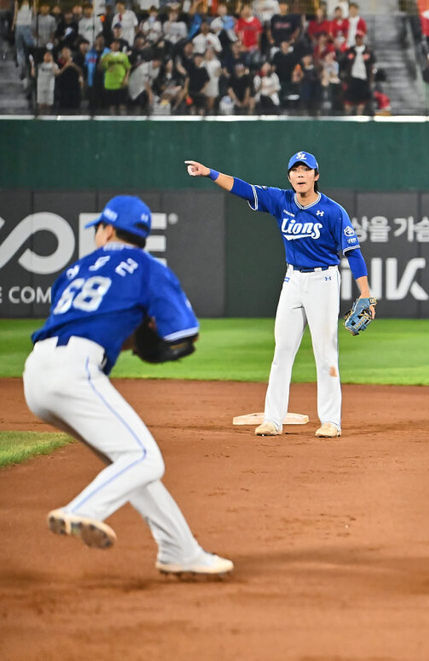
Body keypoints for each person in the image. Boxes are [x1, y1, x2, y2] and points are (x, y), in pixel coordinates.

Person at [22, 195, 233, 578]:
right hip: (76, 370)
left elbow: (87, 320)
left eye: (98, 229)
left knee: (128, 462)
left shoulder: (74, 270)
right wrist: (151, 338)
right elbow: (183, 332)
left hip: (37, 372)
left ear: (107, 229)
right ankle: (82, 510)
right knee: (145, 459)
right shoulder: (147, 267)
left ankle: (180, 550)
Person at [184, 152, 374, 438]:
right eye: (295, 170)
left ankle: (331, 421)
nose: (300, 174)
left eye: (305, 170)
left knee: (325, 353)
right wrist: (210, 172)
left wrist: (366, 293)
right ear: (289, 177)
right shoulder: (281, 200)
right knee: (282, 351)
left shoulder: (334, 211)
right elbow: (243, 188)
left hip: (323, 280)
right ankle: (273, 419)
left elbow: (353, 253)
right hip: (292, 280)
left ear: (316, 176)